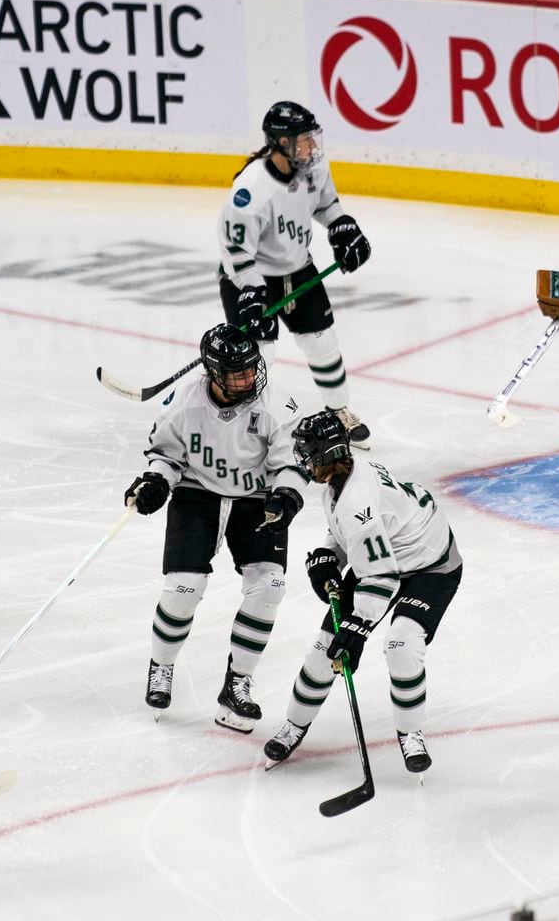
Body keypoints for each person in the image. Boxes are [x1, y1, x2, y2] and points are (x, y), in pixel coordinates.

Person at [126, 323, 307, 732]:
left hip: (256, 502)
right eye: (237, 372)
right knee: (183, 589)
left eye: (250, 368)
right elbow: (166, 456)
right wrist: (155, 481)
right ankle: (162, 666)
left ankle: (237, 684)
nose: (248, 377)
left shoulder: (275, 403)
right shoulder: (184, 404)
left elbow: (293, 462)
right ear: (212, 371)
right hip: (197, 497)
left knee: (269, 587)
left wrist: (287, 495)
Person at [263, 411, 463, 775]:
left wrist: (357, 629)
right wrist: (330, 554)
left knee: (402, 646)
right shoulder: (345, 477)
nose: (303, 460)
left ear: (324, 455)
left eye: (307, 453)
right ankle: (294, 724)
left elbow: (381, 575)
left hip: (431, 566)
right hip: (388, 554)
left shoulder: (357, 501)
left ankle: (411, 733)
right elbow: (356, 536)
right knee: (326, 647)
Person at [217, 101, 373, 448]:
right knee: (257, 358)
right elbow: (235, 250)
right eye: (304, 140)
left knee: (323, 345)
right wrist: (252, 292)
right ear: (282, 143)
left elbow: (327, 205)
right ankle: (245, 424)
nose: (312, 146)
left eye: (312, 138)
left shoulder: (313, 168)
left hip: (299, 270)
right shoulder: (252, 189)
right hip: (251, 277)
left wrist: (343, 229)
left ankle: (339, 413)